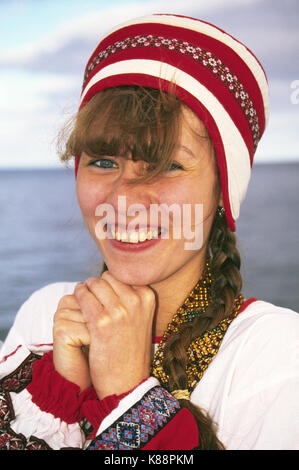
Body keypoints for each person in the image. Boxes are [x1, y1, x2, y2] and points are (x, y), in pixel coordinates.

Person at [0, 13, 298, 451]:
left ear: (224, 189)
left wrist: (127, 392)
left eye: (168, 165)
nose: (124, 199)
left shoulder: (277, 356)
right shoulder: (44, 317)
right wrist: (64, 388)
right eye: (103, 161)